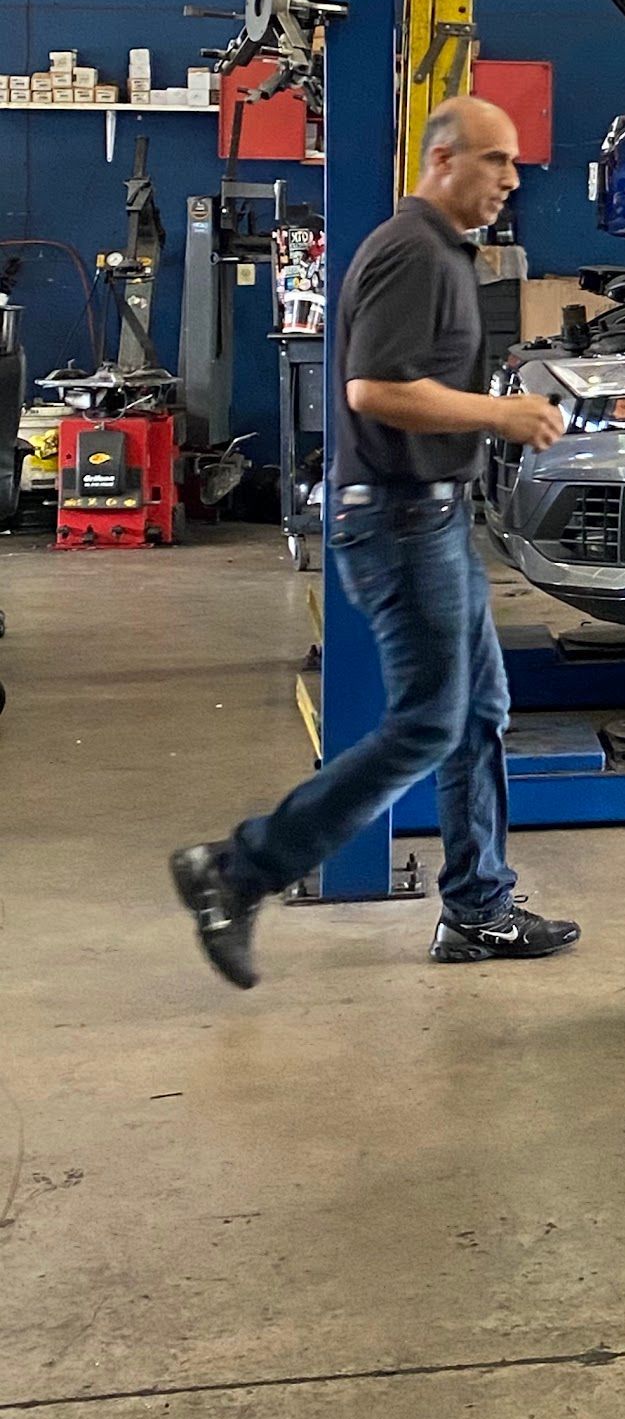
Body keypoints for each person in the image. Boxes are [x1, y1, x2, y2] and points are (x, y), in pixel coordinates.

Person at [170, 95, 580, 988]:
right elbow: (373, 390)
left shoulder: (439, 253)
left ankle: (480, 909)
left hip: (429, 514)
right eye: (497, 161)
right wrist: (500, 413)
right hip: (397, 521)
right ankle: (238, 870)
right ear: (442, 161)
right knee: (432, 720)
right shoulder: (412, 252)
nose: (513, 179)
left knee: (477, 715)